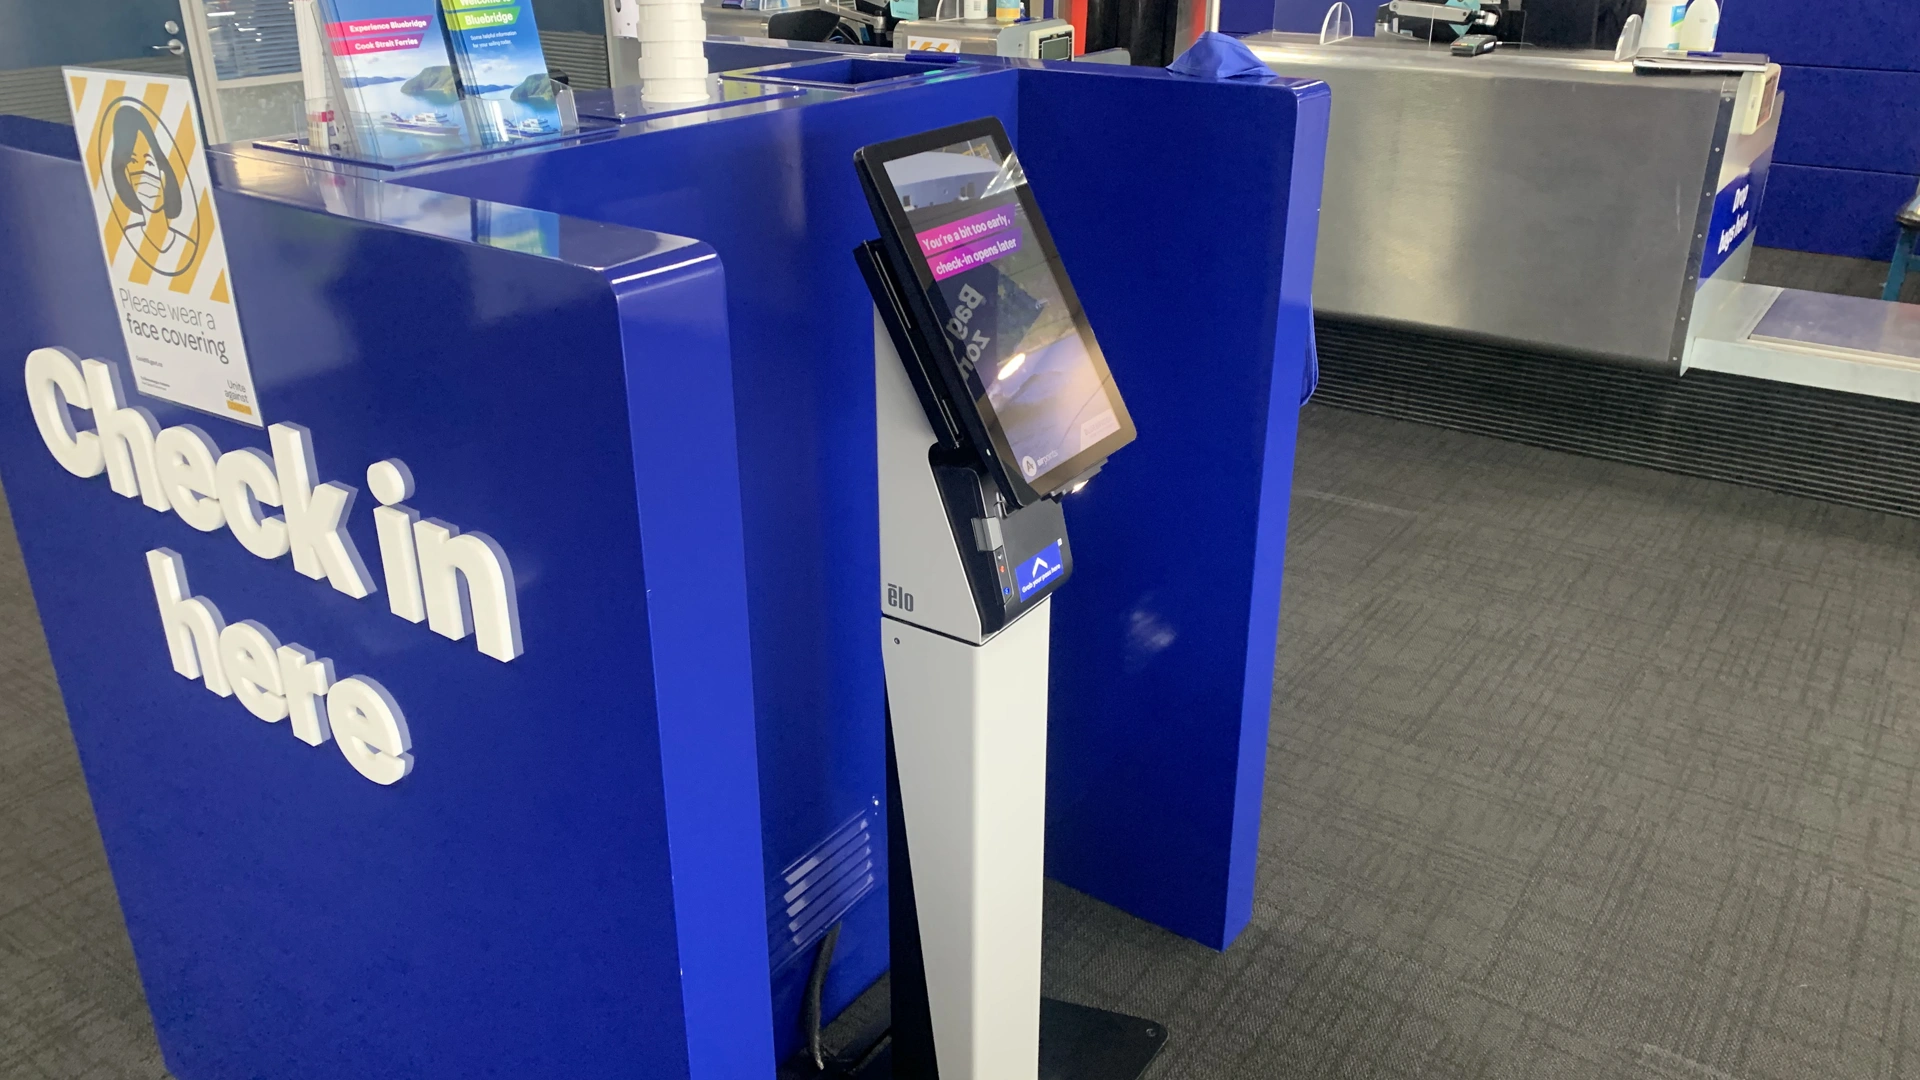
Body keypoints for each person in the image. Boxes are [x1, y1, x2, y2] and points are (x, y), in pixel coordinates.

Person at [107, 103, 196, 269]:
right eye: (133, 162)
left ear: (164, 174)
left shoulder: (188, 248)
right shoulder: (126, 242)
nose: (143, 174)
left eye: (149, 162)